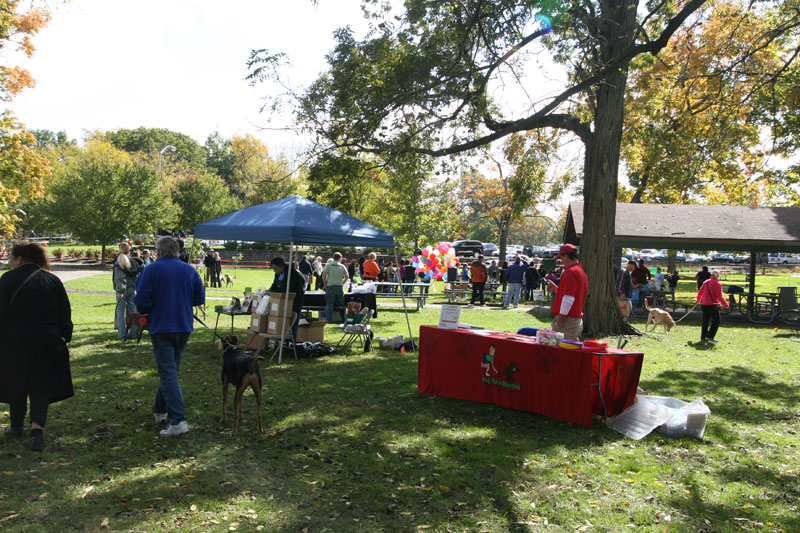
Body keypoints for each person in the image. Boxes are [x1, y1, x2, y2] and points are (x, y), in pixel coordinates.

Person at [0, 243, 73, 451]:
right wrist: (64, 336)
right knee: (40, 385)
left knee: (17, 383)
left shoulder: (8, 280)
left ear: (20, 259)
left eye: (11, 258)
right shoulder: (52, 280)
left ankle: (15, 427)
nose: (9, 262)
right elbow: (64, 313)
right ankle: (36, 430)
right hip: (47, 341)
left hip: (15, 342)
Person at [134, 236, 205, 437]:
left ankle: (178, 420)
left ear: (158, 251)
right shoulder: (189, 269)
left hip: (162, 326)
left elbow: (142, 302)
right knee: (171, 369)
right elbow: (199, 298)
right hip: (183, 325)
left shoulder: (151, 270)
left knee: (168, 372)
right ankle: (160, 410)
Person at [546, 244, 588, 340]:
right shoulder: (580, 271)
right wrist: (556, 289)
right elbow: (574, 295)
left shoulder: (570, 272)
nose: (561, 260)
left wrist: (559, 322)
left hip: (568, 321)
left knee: (562, 352)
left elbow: (568, 299)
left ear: (566, 256)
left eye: (561, 257)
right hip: (574, 320)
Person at [268, 257, 306, 340]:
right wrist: (269, 291)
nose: (274, 271)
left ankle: (291, 341)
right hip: (283, 300)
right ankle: (281, 340)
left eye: (275, 268)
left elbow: (288, 288)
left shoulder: (292, 273)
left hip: (295, 300)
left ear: (281, 266)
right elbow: (274, 285)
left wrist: (277, 292)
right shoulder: (277, 274)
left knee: (293, 321)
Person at [113, 242, 143, 340]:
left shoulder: (119, 262)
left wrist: (120, 290)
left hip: (123, 290)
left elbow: (120, 278)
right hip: (132, 288)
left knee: (121, 312)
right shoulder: (133, 262)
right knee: (133, 312)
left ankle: (121, 335)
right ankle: (133, 333)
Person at [696, 269, 729, 343]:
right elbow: (719, 296)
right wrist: (726, 304)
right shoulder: (717, 283)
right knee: (716, 320)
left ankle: (703, 337)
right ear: (718, 275)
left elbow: (700, 292)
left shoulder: (706, 282)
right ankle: (710, 336)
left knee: (705, 321)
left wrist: (698, 300)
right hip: (713, 304)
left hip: (704, 303)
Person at [322, 252, 349, 323]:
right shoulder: (342, 266)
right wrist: (342, 282)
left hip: (330, 286)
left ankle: (329, 320)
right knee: (341, 304)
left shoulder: (328, 265)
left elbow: (324, 275)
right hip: (339, 286)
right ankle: (343, 319)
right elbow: (347, 276)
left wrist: (325, 284)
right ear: (340, 258)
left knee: (329, 304)